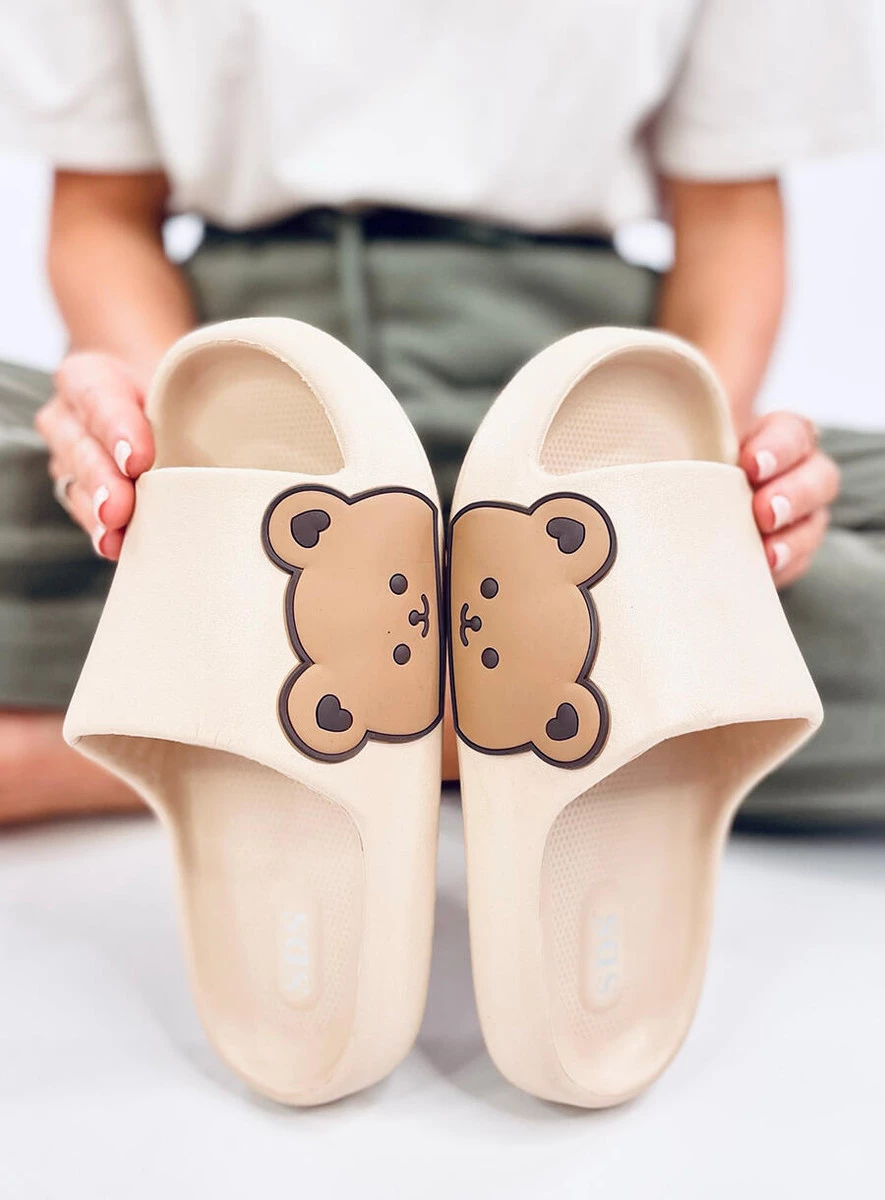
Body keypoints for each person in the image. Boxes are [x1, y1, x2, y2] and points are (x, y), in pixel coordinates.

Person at [0, 1, 882, 825]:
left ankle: (187, 740)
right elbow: (102, 214)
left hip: (573, 411)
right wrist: (170, 433)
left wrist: (683, 470)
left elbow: (728, 220)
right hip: (249, 393)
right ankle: (541, 715)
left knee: (789, 519)